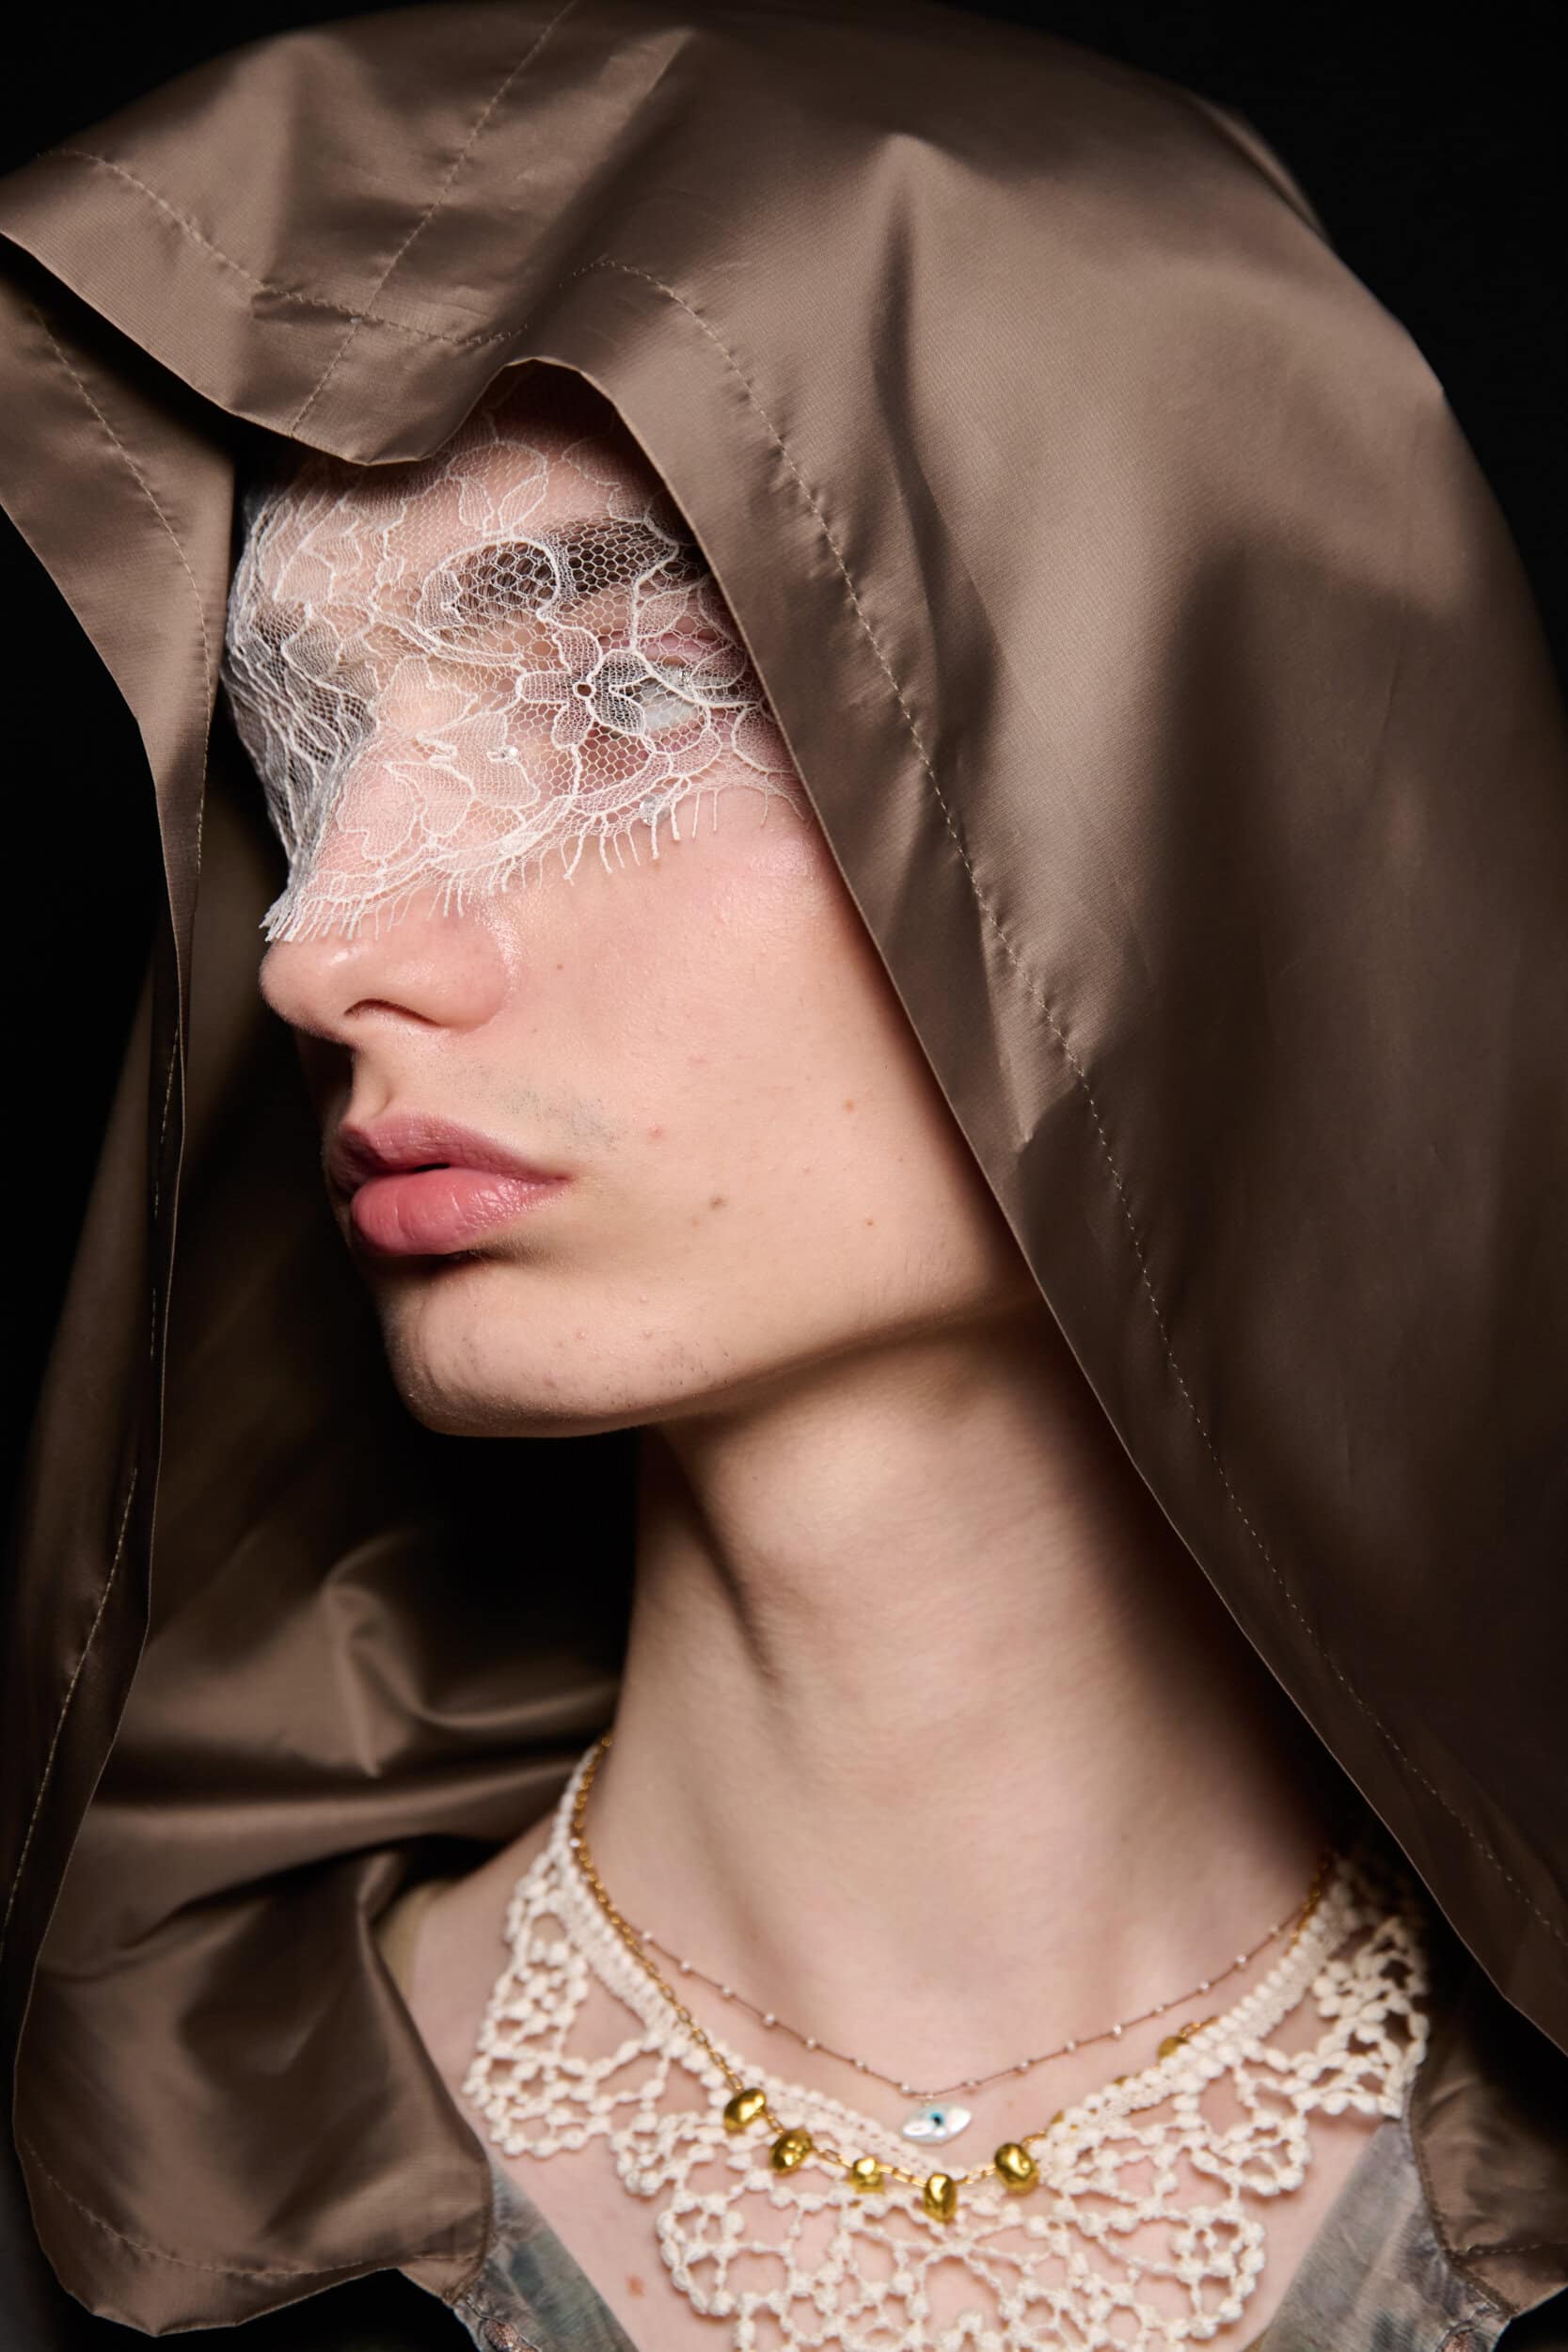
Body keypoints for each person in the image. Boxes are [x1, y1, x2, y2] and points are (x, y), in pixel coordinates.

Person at [2, 6, 1567, 2349]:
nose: (320, 940)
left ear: (1181, 765)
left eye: (624, 704)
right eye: (303, 746)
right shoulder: (134, 2173)